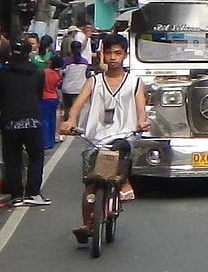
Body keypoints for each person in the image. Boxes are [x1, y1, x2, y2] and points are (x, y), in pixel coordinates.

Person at [59, 30, 147, 244]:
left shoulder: (134, 82)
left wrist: (142, 121)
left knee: (122, 147)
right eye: (109, 53)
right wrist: (70, 121)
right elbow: (77, 106)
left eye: (118, 53)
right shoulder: (94, 82)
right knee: (89, 185)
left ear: (125, 55)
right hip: (96, 138)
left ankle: (124, 182)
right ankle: (87, 223)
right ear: (102, 55)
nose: (113, 57)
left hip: (124, 135)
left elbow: (141, 108)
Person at [0, 41, 49, 208]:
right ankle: (32, 193)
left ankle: (16, 195)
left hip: (9, 121)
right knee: (36, 156)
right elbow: (38, 95)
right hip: (31, 119)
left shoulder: (1, 73)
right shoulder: (38, 73)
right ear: (28, 53)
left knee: (12, 158)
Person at [37, 36, 62, 148]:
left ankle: (45, 142)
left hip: (44, 98)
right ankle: (51, 140)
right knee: (52, 120)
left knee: (44, 120)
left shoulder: (44, 72)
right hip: (53, 97)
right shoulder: (57, 75)